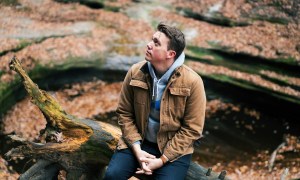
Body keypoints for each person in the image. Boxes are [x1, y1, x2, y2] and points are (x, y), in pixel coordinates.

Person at [104, 22, 206, 180]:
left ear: (170, 54)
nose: (149, 44)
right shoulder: (135, 72)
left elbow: (192, 129)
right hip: (139, 141)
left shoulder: (193, 82)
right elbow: (124, 113)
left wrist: (162, 160)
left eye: (156, 43)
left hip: (173, 150)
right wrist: (137, 150)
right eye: (152, 40)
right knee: (112, 175)